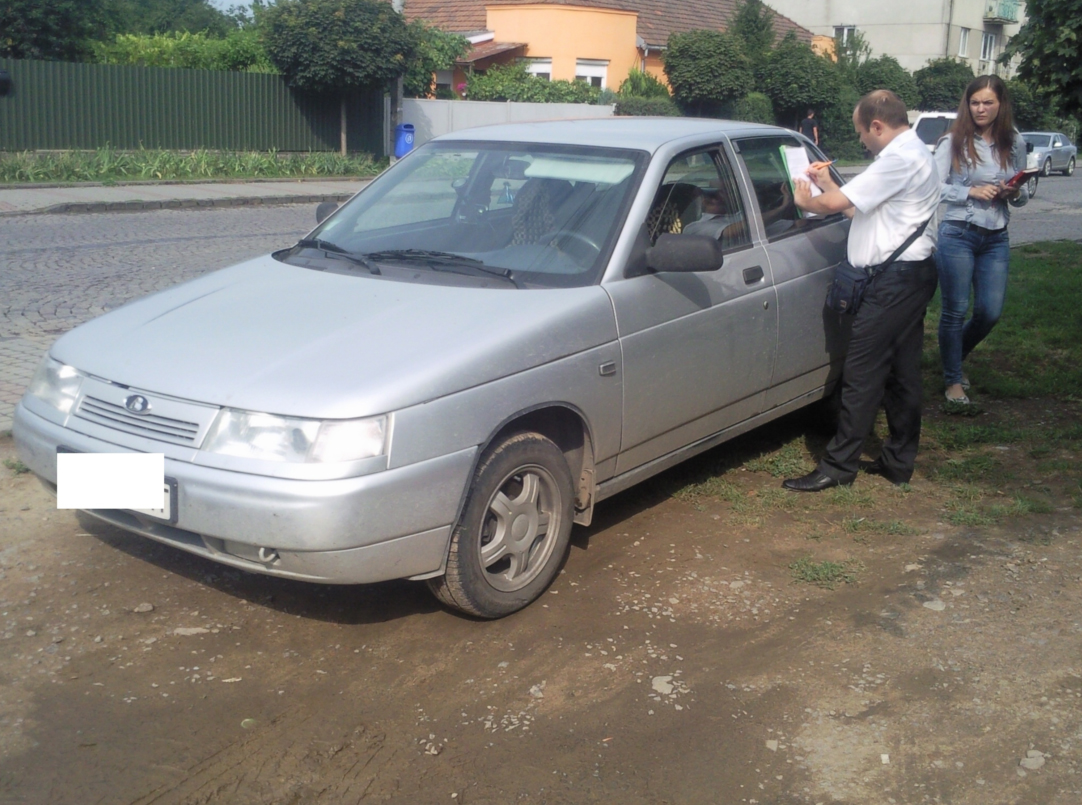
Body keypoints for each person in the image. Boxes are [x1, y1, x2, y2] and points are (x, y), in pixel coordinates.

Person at [782, 90, 940, 491]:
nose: (861, 142)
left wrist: (807, 200)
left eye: (861, 134)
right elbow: (859, 207)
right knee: (902, 373)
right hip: (909, 276)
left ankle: (838, 466)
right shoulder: (916, 153)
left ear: (877, 126)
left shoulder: (898, 160)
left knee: (863, 371)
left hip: (894, 281)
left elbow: (834, 205)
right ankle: (898, 461)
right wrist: (828, 182)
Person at [934, 75, 1028, 405]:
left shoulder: (1014, 141)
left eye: (988, 102)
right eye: (975, 102)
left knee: (990, 312)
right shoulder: (953, 141)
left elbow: (1024, 195)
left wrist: (1013, 192)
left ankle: (952, 355)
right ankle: (952, 380)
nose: (980, 109)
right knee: (955, 310)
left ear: (1001, 104)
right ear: (967, 104)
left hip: (996, 236)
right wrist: (968, 191)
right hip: (958, 233)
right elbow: (930, 188)